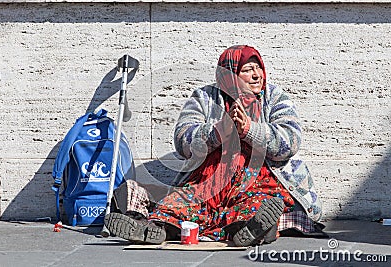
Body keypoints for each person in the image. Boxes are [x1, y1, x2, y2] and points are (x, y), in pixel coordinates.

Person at [104, 45, 324, 246]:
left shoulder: (274, 97)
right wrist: (219, 131)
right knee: (175, 204)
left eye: (259, 68)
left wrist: (249, 129)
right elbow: (183, 141)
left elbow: (291, 140)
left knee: (259, 205)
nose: (257, 75)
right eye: (247, 70)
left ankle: (252, 229)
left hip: (260, 181)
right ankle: (157, 230)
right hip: (208, 183)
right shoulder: (204, 98)